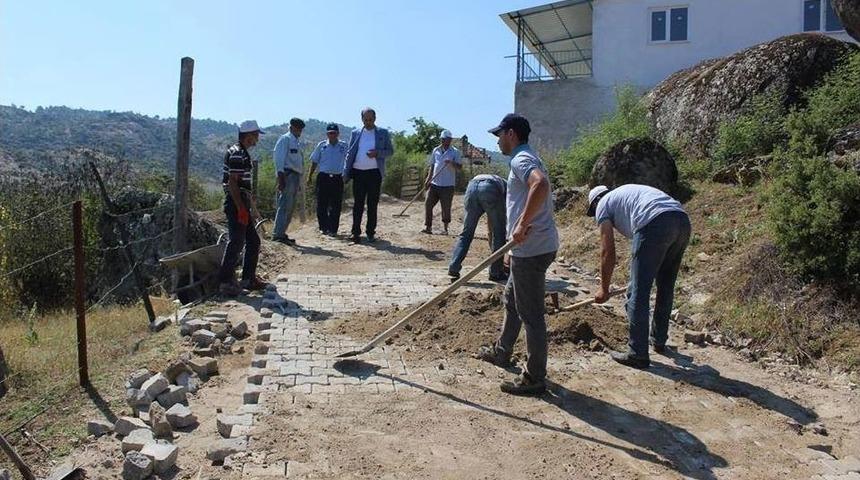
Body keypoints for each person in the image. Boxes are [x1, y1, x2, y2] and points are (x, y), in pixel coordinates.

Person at [476, 114, 559, 396]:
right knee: (511, 300)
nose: (497, 141)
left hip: (532, 248)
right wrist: (513, 247)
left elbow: (540, 185)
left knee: (531, 314)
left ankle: (535, 377)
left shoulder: (521, 159)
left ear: (510, 134)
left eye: (499, 135)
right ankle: (502, 351)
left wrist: (522, 225)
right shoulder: (527, 157)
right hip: (529, 247)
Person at [587, 184, 691, 369]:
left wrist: (603, 288)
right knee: (665, 286)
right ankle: (658, 340)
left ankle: (637, 353)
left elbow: (607, 252)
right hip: (681, 220)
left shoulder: (602, 204)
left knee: (638, 293)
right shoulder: (626, 194)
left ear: (595, 203)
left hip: (654, 222)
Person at [217, 120, 267, 296]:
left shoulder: (241, 152)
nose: (257, 138)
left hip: (241, 202)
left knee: (252, 241)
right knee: (237, 241)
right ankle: (225, 281)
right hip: (236, 203)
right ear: (248, 136)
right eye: (256, 135)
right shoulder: (238, 154)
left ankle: (248, 279)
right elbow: (232, 183)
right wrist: (241, 208)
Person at [343, 108, 394, 244]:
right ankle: (355, 233)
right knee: (358, 204)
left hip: (374, 173)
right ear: (362, 119)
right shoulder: (355, 133)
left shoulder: (383, 133)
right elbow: (350, 153)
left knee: (372, 204)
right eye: (365, 120)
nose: (368, 122)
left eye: (370, 119)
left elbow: (390, 151)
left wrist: (377, 153)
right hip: (358, 172)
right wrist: (345, 172)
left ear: (375, 119)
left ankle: (370, 233)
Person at [448, 174, 507, 282]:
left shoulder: (499, 181)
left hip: (472, 187)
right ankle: (496, 272)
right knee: (499, 233)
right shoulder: (508, 188)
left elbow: (490, 225)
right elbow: (504, 220)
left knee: (466, 233)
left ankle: (454, 266)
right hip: (490, 187)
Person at [307, 123, 348, 236]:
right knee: (322, 203)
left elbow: (349, 160)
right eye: (330, 133)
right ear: (327, 134)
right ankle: (323, 227)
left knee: (336, 204)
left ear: (338, 133)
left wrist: (348, 174)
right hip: (323, 177)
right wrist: (309, 176)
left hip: (337, 178)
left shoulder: (344, 146)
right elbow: (314, 161)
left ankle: (333, 229)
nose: (332, 135)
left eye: (334, 133)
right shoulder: (322, 145)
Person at [421, 130, 462, 235]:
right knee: (428, 204)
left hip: (448, 185)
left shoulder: (455, 152)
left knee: (446, 208)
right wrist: (428, 179)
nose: (445, 141)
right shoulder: (436, 150)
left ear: (450, 140)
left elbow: (459, 168)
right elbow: (432, 166)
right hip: (434, 183)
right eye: (443, 139)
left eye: (447, 139)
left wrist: (452, 163)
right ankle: (428, 227)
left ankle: (445, 229)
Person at [272, 117, 306, 245]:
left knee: (290, 207)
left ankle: (282, 232)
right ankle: (277, 234)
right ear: (291, 127)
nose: (300, 131)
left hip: (295, 176)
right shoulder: (285, 139)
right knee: (284, 205)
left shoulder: (296, 141)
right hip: (287, 175)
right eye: (298, 128)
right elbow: (279, 159)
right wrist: (281, 178)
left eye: (301, 129)